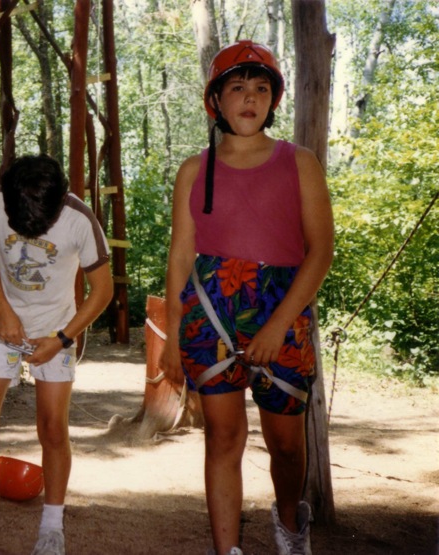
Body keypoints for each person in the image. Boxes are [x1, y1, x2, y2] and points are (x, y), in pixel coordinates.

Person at [158, 40, 334, 555]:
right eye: (237, 87)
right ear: (216, 101)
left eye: (260, 87)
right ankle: (227, 549)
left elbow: (321, 250)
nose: (250, 97)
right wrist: (172, 334)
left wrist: (279, 324)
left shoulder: (299, 162)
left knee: (286, 445)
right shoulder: (194, 170)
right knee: (222, 437)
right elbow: (180, 255)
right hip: (211, 311)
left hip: (283, 309)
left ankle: (290, 525)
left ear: (274, 99)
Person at [0, 154, 113, 555]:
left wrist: (62, 339)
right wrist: (3, 310)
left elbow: (102, 290)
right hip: (1, 321)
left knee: (52, 428)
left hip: (56, 329)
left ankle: (52, 530)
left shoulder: (80, 218)